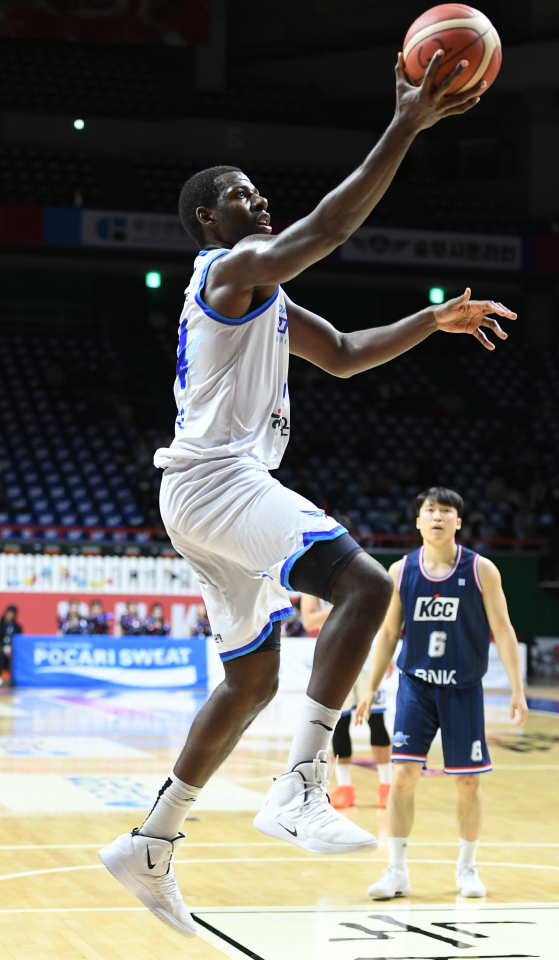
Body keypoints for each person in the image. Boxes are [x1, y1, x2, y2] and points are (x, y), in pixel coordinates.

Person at [98, 50, 516, 940]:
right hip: (218, 484)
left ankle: (152, 839)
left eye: (259, 194)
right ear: (209, 220)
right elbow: (326, 228)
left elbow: (348, 354)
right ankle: (299, 784)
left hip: (199, 497)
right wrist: (406, 121)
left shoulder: (269, 299)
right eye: (243, 194)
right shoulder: (227, 268)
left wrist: (431, 321)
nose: (260, 202)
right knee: (369, 583)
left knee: (252, 678)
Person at [358, 487, 528, 900]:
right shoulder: (400, 571)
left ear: (458, 521)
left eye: (446, 511)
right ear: (417, 521)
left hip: (463, 689)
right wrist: (371, 687)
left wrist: (518, 688)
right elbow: (387, 633)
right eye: (429, 511)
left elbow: (503, 630)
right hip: (415, 686)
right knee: (401, 776)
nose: (437, 517)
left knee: (468, 784)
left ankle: (467, 869)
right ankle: (396, 870)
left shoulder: (481, 569)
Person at [301, 595, 392, 809]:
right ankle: (344, 787)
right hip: (335, 652)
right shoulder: (313, 579)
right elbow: (309, 621)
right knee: (339, 723)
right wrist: (346, 606)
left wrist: (386, 653)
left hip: (369, 650)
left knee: (376, 720)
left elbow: (379, 611)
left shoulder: (358, 567)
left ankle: (387, 786)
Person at [0, 605, 23, 686]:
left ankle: (13, 678)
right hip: (0, 647)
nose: (10, 615)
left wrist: (11, 647)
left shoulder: (17, 627)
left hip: (12, 648)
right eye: (9, 613)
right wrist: (3, 647)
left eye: (12, 613)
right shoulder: (0, 625)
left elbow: (19, 640)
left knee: (16, 655)